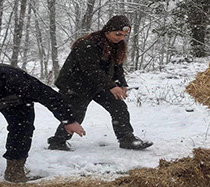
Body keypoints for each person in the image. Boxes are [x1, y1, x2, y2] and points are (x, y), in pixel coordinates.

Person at [47, 15, 152, 151]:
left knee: (118, 106)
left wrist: (121, 83)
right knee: (76, 114)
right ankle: (58, 141)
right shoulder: (87, 44)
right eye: (118, 34)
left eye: (124, 35)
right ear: (107, 30)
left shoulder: (116, 45)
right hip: (76, 85)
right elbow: (90, 69)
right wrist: (111, 86)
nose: (120, 38)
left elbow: (117, 66)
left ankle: (126, 138)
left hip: (98, 84)